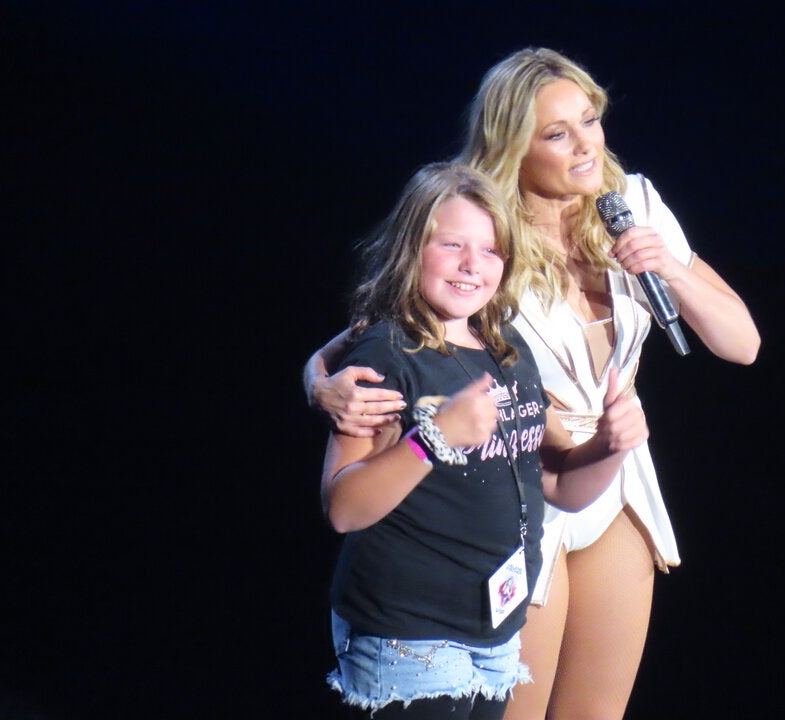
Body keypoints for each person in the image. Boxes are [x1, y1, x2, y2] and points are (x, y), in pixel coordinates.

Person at [308, 49, 761, 720]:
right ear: (514, 146)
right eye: (557, 134)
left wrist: (669, 265)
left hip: (609, 475)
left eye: (590, 120)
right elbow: (372, 330)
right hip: (521, 485)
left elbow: (743, 344)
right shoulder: (483, 229)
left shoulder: (630, 204)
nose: (585, 145)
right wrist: (317, 383)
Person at [320, 160, 650, 720]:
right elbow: (344, 508)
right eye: (452, 245)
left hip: (494, 632)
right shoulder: (387, 355)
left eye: (491, 250)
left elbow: (559, 487)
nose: (473, 265)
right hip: (411, 635)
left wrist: (611, 447)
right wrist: (434, 439)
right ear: (412, 248)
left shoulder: (505, 350)